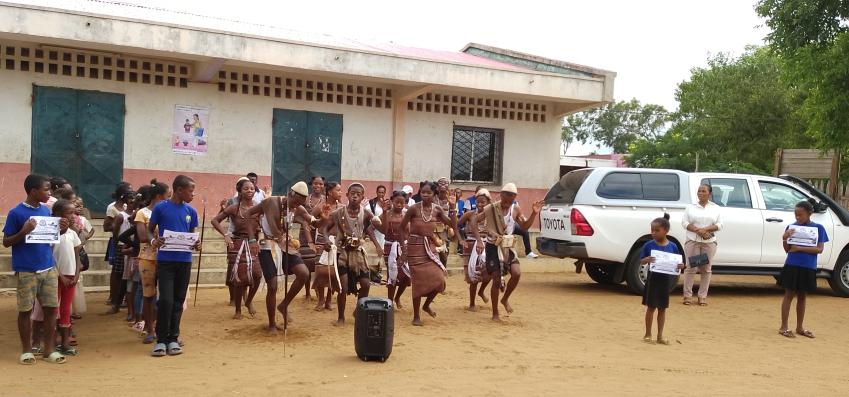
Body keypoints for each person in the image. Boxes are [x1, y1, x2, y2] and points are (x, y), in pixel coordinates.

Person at [3, 174, 65, 364]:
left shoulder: (46, 211)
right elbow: (6, 242)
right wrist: (24, 231)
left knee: (51, 309)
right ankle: (27, 350)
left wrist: (61, 229)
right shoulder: (16, 213)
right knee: (25, 310)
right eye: (46, 189)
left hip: (48, 267)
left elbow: (49, 238)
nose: (49, 193)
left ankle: (49, 349)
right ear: (33, 191)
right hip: (27, 269)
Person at [248, 181, 321, 332]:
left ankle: (284, 305)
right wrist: (252, 239)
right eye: (296, 202)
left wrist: (325, 217)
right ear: (291, 194)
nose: (296, 206)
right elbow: (248, 214)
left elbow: (314, 222)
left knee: (304, 273)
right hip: (267, 245)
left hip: (285, 244)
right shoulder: (270, 202)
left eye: (300, 203)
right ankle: (272, 324)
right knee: (273, 285)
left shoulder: (299, 208)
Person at [471, 182, 542, 321]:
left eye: (511, 199)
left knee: (516, 273)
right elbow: (474, 221)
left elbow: (525, 226)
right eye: (506, 199)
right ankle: (495, 313)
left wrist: (534, 213)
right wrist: (479, 240)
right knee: (496, 279)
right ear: (501, 195)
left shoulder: (516, 209)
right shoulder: (491, 208)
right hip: (492, 246)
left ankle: (505, 299)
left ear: (514, 197)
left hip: (507, 247)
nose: (507, 203)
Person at [148, 175, 201, 357]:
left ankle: (173, 338)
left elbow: (192, 235)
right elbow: (149, 230)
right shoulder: (161, 208)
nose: (193, 194)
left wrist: (196, 244)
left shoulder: (191, 212)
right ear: (179, 189)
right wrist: (154, 240)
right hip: (166, 261)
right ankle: (161, 339)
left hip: (184, 261)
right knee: (166, 300)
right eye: (191, 190)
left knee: (178, 300)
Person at [323, 183, 383, 326]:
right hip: (342, 253)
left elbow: (372, 228)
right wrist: (326, 240)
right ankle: (341, 317)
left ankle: (358, 311)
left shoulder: (366, 214)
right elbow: (325, 228)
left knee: (366, 284)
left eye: (358, 194)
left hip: (358, 254)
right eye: (352, 193)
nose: (355, 196)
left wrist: (377, 244)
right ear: (347, 195)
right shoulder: (338, 213)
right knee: (342, 287)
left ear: (363, 196)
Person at [400, 181, 458, 326]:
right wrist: (404, 248)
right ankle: (416, 316)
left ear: (434, 194)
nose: (425, 195)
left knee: (440, 280)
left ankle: (426, 305)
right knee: (418, 283)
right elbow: (401, 228)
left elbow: (452, 224)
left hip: (430, 247)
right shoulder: (413, 208)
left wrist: (452, 208)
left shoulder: (437, 209)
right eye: (423, 192)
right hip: (414, 247)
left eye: (429, 193)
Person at [212, 179, 262, 320]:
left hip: (253, 244)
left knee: (257, 275)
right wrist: (226, 235)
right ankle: (238, 310)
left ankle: (249, 301)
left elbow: (264, 223)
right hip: (238, 243)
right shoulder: (234, 207)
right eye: (246, 188)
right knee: (239, 279)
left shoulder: (259, 207)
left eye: (252, 188)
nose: (250, 191)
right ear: (240, 191)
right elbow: (215, 220)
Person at [778, 200, 828, 339]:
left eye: (801, 215)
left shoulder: (818, 228)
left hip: (808, 266)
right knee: (789, 294)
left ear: (809, 214)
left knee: (802, 296)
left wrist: (799, 248)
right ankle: (784, 326)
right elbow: (788, 250)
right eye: (796, 215)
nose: (798, 217)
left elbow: (819, 249)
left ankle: (799, 327)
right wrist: (784, 238)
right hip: (792, 265)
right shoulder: (791, 228)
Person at [640, 214, 685, 345]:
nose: (653, 233)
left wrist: (681, 266)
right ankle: (648, 334)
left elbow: (678, 262)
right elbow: (641, 261)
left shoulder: (673, 246)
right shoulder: (648, 245)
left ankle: (660, 335)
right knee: (651, 307)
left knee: (662, 308)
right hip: (653, 279)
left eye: (657, 230)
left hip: (666, 280)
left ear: (666, 231)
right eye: (652, 230)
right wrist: (646, 260)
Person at [136, 179, 171, 344]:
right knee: (149, 295)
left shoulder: (167, 211)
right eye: (167, 197)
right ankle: (150, 329)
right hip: (148, 258)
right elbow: (142, 236)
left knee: (165, 296)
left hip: (166, 257)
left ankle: (160, 327)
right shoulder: (142, 213)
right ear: (158, 197)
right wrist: (158, 234)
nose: (168, 201)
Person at [681, 184, 722, 306]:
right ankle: (687, 296)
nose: (700, 193)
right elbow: (684, 223)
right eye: (699, 191)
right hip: (693, 240)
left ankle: (702, 296)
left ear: (709, 193)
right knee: (691, 267)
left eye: (703, 191)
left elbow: (720, 225)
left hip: (708, 242)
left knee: (705, 268)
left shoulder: (715, 208)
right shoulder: (690, 207)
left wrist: (706, 230)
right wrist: (698, 231)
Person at [52, 199, 82, 356]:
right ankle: (53, 341)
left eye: (74, 212)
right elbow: (49, 256)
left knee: (65, 309)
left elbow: (77, 255)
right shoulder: (52, 233)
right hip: (56, 276)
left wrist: (77, 273)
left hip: (71, 277)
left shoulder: (73, 233)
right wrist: (59, 275)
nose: (73, 216)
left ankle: (65, 342)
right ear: (58, 215)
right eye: (69, 213)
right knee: (54, 309)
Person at [458, 189, 493, 311]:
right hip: (471, 245)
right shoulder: (470, 214)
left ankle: (481, 291)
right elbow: (457, 225)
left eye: (483, 202)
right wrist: (461, 239)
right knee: (473, 276)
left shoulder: (492, 216)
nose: (480, 205)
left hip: (487, 245)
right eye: (478, 202)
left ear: (488, 202)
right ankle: (472, 303)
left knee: (490, 273)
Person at [311, 181, 343, 311]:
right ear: (330, 192)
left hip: (337, 242)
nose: (340, 193)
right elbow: (311, 222)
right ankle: (320, 299)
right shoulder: (320, 207)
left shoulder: (342, 207)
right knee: (320, 270)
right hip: (321, 240)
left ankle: (329, 299)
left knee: (333, 271)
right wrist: (311, 241)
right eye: (338, 190)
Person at [376, 190, 411, 309]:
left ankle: (397, 297)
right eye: (397, 202)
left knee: (406, 277)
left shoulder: (407, 215)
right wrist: (377, 245)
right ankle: (390, 302)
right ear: (392, 201)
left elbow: (411, 232)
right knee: (392, 276)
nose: (399, 205)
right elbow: (371, 228)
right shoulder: (385, 214)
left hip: (404, 247)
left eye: (402, 202)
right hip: (389, 247)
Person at [106, 190, 136, 315]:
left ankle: (123, 303)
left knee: (128, 277)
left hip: (132, 245)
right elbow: (116, 233)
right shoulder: (121, 216)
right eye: (131, 200)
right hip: (121, 246)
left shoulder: (137, 214)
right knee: (119, 275)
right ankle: (115, 302)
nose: (133, 203)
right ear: (127, 202)